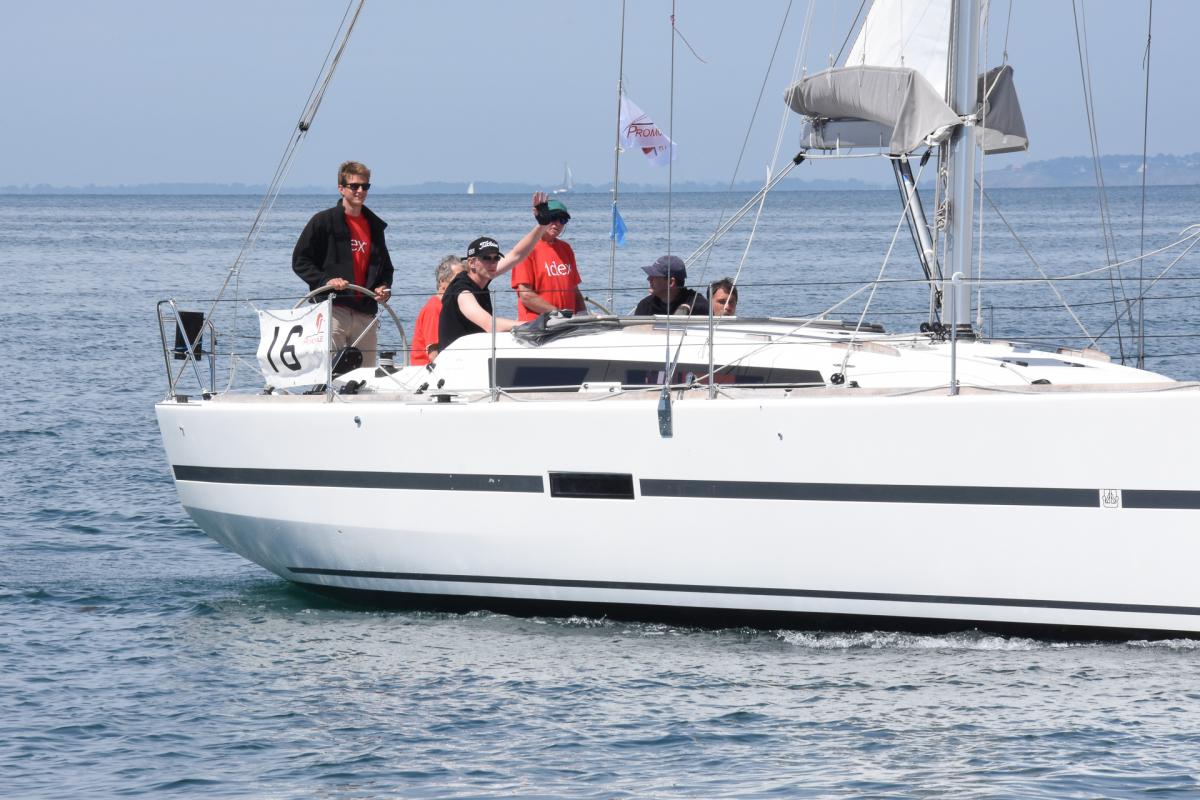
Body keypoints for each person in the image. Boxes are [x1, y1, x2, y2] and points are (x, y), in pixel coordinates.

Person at [292, 160, 394, 367]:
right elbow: (300, 260)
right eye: (354, 186)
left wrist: (383, 287)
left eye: (365, 186)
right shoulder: (322, 221)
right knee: (329, 373)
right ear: (341, 188)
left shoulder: (374, 226)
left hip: (365, 311)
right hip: (333, 308)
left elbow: (386, 267)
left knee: (366, 376)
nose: (360, 191)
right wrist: (326, 281)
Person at [438, 192, 552, 353]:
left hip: (473, 354)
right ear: (472, 262)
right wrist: (535, 324)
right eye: (486, 258)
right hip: (454, 360)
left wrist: (542, 225)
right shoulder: (462, 291)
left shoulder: (483, 275)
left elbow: (517, 255)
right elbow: (490, 324)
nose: (493, 263)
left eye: (496, 258)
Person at [511, 197, 585, 321]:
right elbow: (526, 295)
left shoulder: (566, 248)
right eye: (553, 218)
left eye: (562, 220)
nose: (558, 224)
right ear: (543, 219)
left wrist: (583, 313)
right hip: (538, 324)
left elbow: (574, 290)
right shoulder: (527, 248)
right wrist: (557, 314)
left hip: (567, 324)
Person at [410, 255, 464, 366]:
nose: (463, 283)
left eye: (464, 279)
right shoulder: (434, 308)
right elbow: (433, 354)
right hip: (426, 369)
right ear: (442, 281)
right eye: (458, 279)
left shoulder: (450, 306)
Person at [632, 255, 710, 316]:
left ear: (671, 282)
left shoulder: (695, 300)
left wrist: (685, 308)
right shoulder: (645, 306)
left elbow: (707, 309)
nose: (649, 279)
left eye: (654, 276)